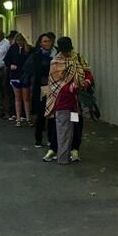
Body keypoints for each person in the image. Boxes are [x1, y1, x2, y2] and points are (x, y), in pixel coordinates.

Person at [44, 37, 93, 165]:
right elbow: (56, 84)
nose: (67, 53)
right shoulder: (56, 62)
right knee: (60, 127)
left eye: (68, 50)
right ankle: (56, 150)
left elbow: (87, 72)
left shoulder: (78, 58)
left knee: (76, 124)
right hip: (61, 102)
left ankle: (74, 149)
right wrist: (72, 87)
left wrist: (86, 81)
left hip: (75, 104)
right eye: (65, 51)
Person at [25, 33, 56, 148]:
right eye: (45, 41)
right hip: (42, 87)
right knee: (41, 114)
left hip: (54, 87)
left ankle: (51, 139)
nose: (47, 43)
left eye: (49, 41)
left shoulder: (56, 54)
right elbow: (32, 71)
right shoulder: (37, 55)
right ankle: (38, 139)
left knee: (52, 115)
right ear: (40, 43)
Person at [4, 32, 33, 127]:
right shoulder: (13, 48)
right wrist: (10, 65)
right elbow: (6, 60)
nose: (19, 42)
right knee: (18, 98)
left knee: (26, 98)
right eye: (17, 41)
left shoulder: (29, 49)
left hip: (24, 76)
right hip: (15, 76)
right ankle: (18, 118)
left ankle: (27, 118)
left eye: (20, 40)